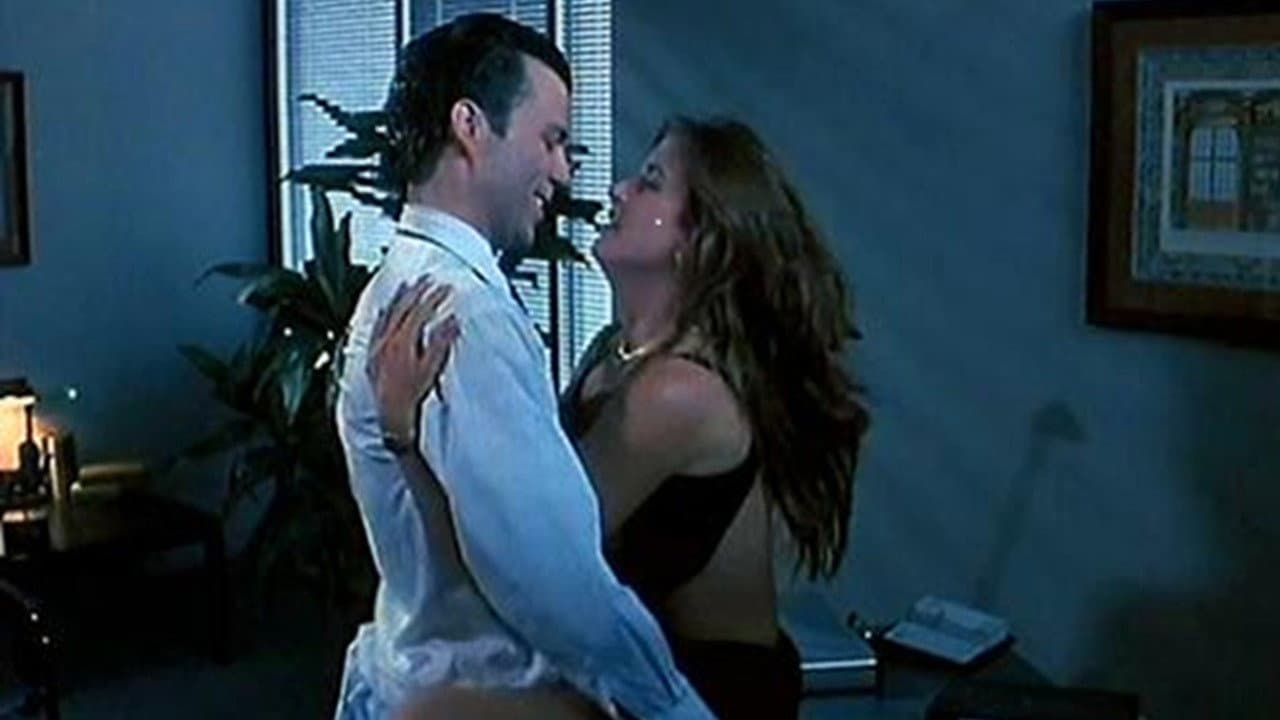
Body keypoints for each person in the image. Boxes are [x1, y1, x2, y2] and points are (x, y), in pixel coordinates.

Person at [372, 116, 871, 719]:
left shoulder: (676, 393)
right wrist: (402, 436)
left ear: (697, 241)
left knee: (437, 713)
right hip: (631, 665)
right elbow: (508, 532)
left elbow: (533, 558)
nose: (619, 190)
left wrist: (401, 434)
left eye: (650, 182)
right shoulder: (614, 354)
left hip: (708, 688)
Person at [332, 13, 715, 720]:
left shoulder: (403, 283)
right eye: (552, 140)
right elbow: (553, 580)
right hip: (481, 696)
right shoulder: (463, 315)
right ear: (470, 127)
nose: (565, 171)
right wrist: (673, 708)